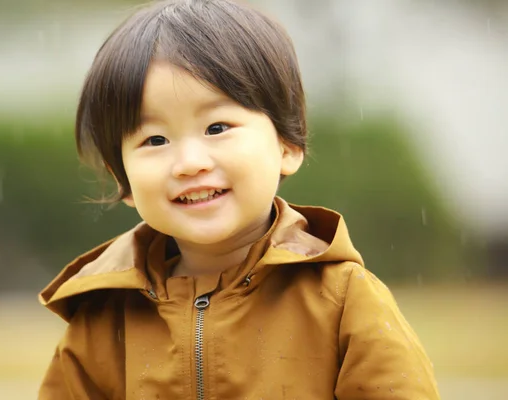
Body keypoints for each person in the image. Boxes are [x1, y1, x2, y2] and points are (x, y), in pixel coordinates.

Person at [38, 0, 440, 398]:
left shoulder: (343, 300)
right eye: (155, 139)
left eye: (217, 127)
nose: (189, 163)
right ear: (122, 178)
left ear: (286, 144)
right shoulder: (104, 319)